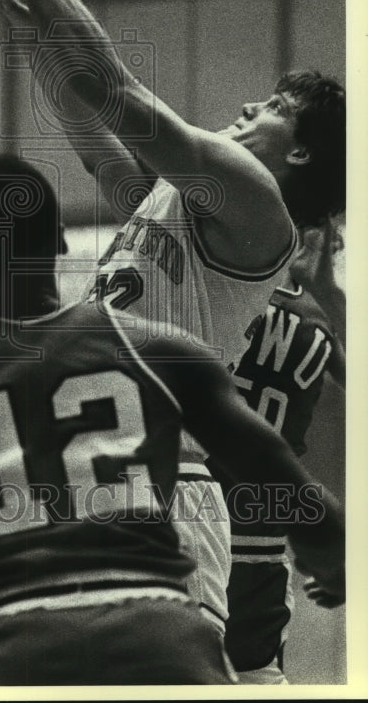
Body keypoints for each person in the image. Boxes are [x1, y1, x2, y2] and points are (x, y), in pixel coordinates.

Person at [0, 0, 346, 635]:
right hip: (112, 467)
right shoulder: (187, 210)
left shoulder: (254, 202)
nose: (244, 111)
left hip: (171, 478)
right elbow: (95, 137)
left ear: (297, 150)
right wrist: (33, 37)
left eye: (267, 109)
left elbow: (116, 92)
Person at [0, 154, 344, 686]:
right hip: (160, 638)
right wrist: (332, 557)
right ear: (59, 241)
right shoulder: (157, 350)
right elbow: (298, 496)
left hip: (20, 648)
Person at [212, 231, 346, 684]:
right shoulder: (318, 319)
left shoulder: (214, 289)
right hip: (263, 541)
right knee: (258, 677)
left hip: (194, 518)